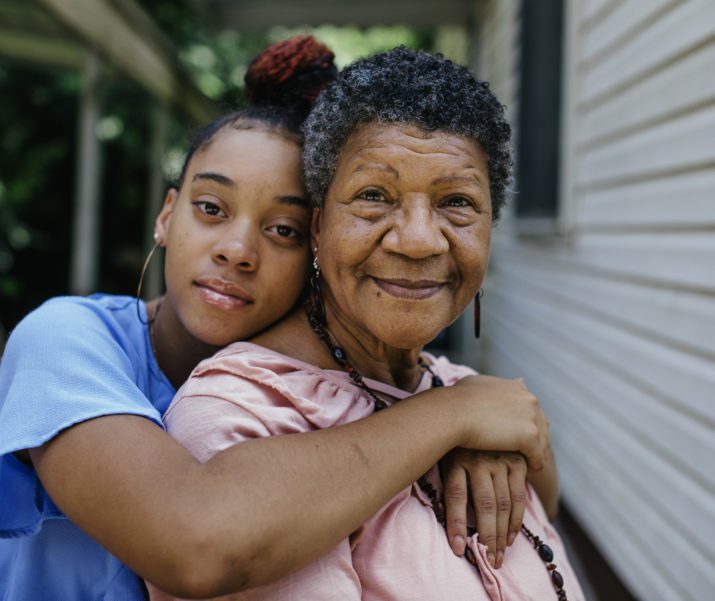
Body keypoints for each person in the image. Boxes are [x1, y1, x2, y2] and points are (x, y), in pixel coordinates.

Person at [0, 38, 551, 600]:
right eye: (211, 209)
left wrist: (481, 431)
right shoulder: (67, 341)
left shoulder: (345, 386)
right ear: (167, 216)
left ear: (315, 244)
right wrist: (454, 414)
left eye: (282, 228)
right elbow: (193, 540)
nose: (237, 250)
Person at [149, 47, 582, 601]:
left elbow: (547, 496)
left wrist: (483, 423)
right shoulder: (241, 416)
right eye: (374, 196)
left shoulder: (466, 393)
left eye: (457, 202)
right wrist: (454, 417)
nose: (420, 239)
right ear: (318, 227)